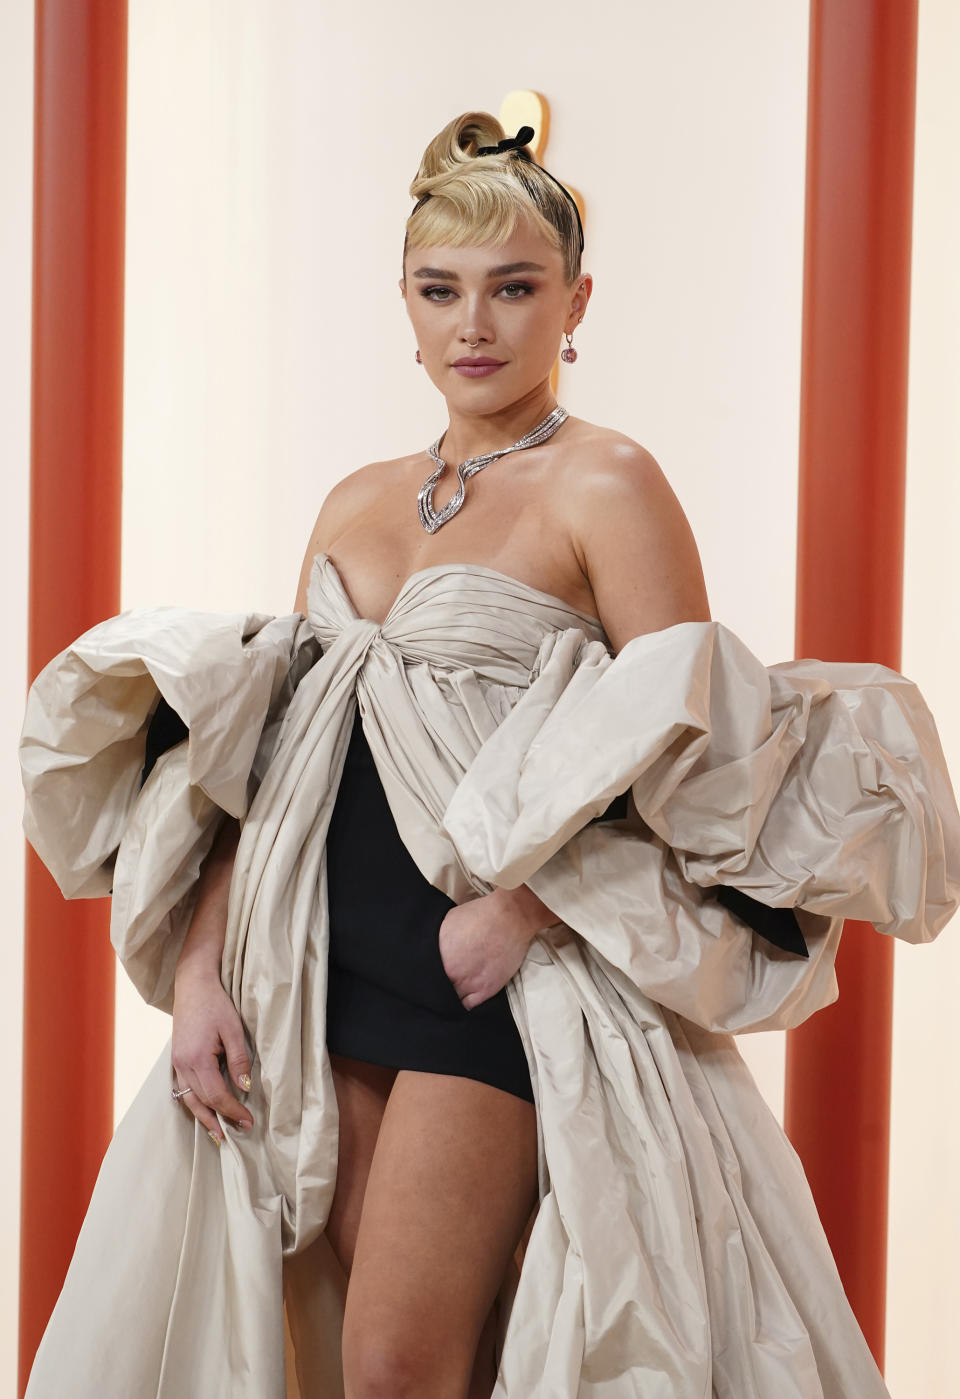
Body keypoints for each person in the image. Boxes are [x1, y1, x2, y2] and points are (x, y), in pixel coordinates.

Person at [18, 112, 960, 1399]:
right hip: (318, 969)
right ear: (404, 305)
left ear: (576, 301)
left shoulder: (608, 485)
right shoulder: (354, 498)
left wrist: (528, 909)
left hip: (490, 988)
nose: (477, 325)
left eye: (515, 289)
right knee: (350, 1349)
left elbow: (693, 749)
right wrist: (198, 970)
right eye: (441, 290)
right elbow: (284, 761)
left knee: (399, 1360)